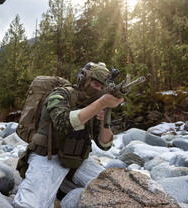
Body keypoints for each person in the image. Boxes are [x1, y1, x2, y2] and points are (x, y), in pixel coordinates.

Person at [13, 62, 124, 208]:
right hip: (47, 156)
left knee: (118, 191)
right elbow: (63, 122)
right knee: (29, 205)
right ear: (83, 80)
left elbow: (104, 145)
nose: (98, 89)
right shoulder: (60, 94)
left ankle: (62, 186)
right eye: (95, 84)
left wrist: (105, 122)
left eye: (102, 87)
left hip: (76, 161)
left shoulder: (96, 103)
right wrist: (101, 103)